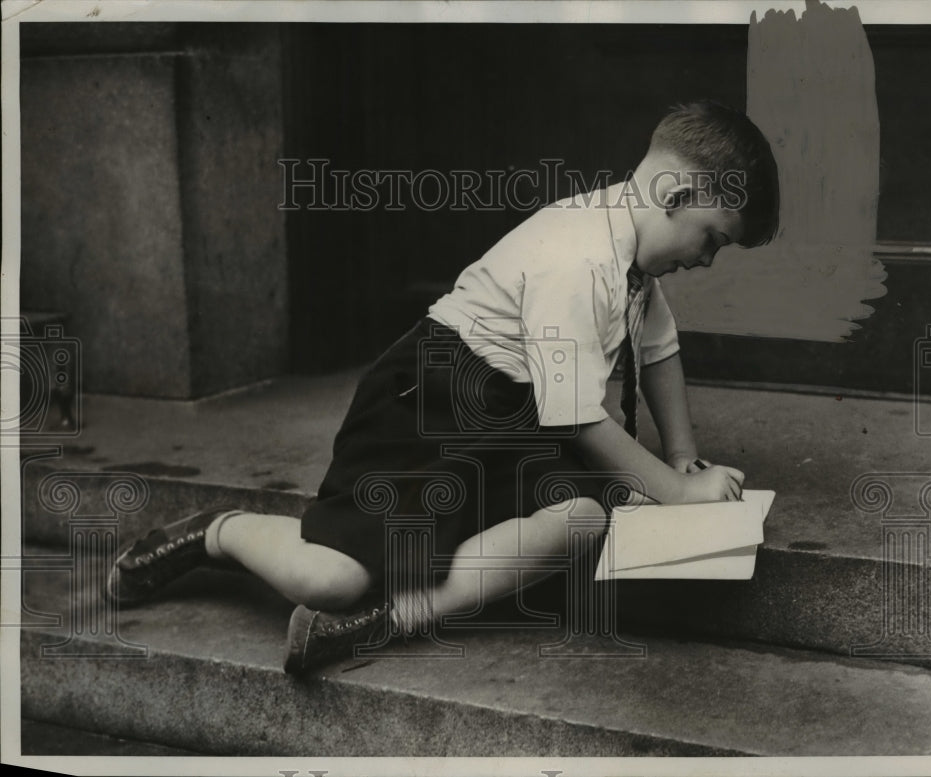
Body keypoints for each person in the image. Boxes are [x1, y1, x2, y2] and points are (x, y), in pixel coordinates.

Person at [106, 100, 779, 675]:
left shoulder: (635, 263)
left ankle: (392, 618)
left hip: (512, 423)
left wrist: (683, 450)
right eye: (713, 238)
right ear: (674, 196)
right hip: (429, 407)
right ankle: (217, 533)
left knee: (582, 517)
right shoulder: (577, 256)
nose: (707, 258)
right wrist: (677, 488)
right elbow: (577, 418)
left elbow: (659, 349)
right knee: (331, 578)